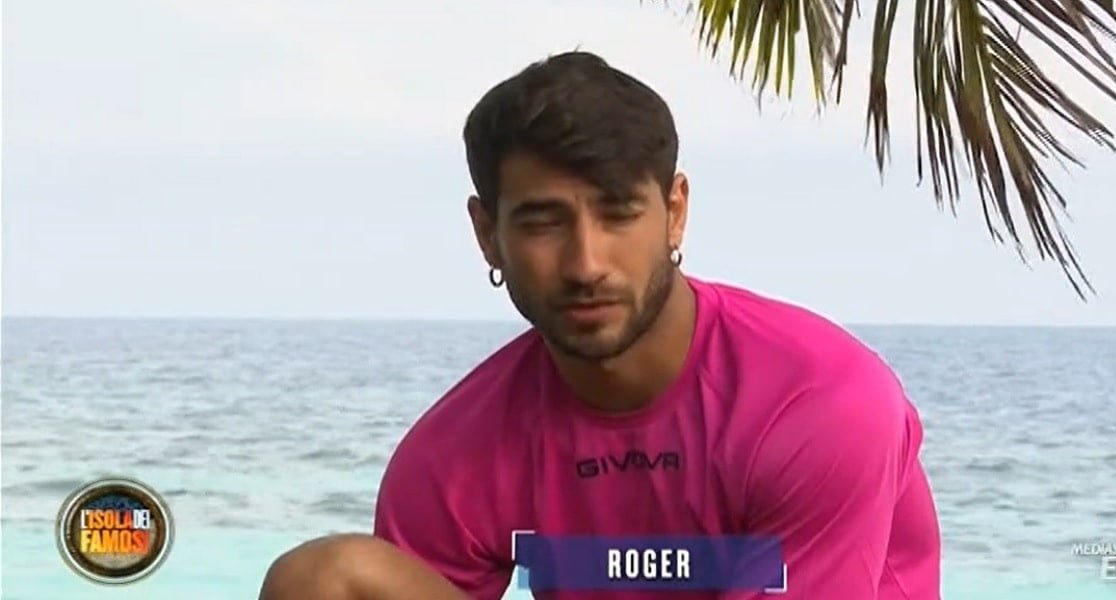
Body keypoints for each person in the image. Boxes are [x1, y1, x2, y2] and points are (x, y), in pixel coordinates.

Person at [259, 51, 941, 600]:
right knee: (324, 580)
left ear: (674, 213)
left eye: (618, 214)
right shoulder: (452, 458)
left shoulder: (819, 400)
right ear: (487, 234)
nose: (586, 264)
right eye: (543, 222)